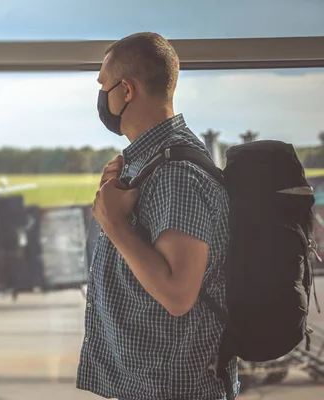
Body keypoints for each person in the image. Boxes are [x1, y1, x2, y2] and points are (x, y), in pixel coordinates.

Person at [76, 32, 239, 400]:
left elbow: (178, 294)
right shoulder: (147, 165)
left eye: (104, 85)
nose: (101, 97)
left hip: (172, 390)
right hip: (147, 386)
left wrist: (115, 225)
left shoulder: (176, 175)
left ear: (126, 91)